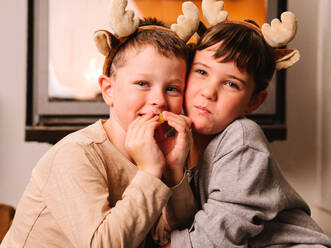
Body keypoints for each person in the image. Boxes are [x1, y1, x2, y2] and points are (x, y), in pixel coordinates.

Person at [0, 1, 201, 247]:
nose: (159, 100)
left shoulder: (155, 151)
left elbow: (175, 234)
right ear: (108, 91)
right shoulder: (75, 153)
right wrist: (149, 171)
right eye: (142, 84)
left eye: (172, 88)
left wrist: (173, 171)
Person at [167, 1, 331, 247]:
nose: (209, 92)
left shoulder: (242, 139)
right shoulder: (176, 134)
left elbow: (214, 239)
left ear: (254, 101)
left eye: (231, 84)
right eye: (202, 72)